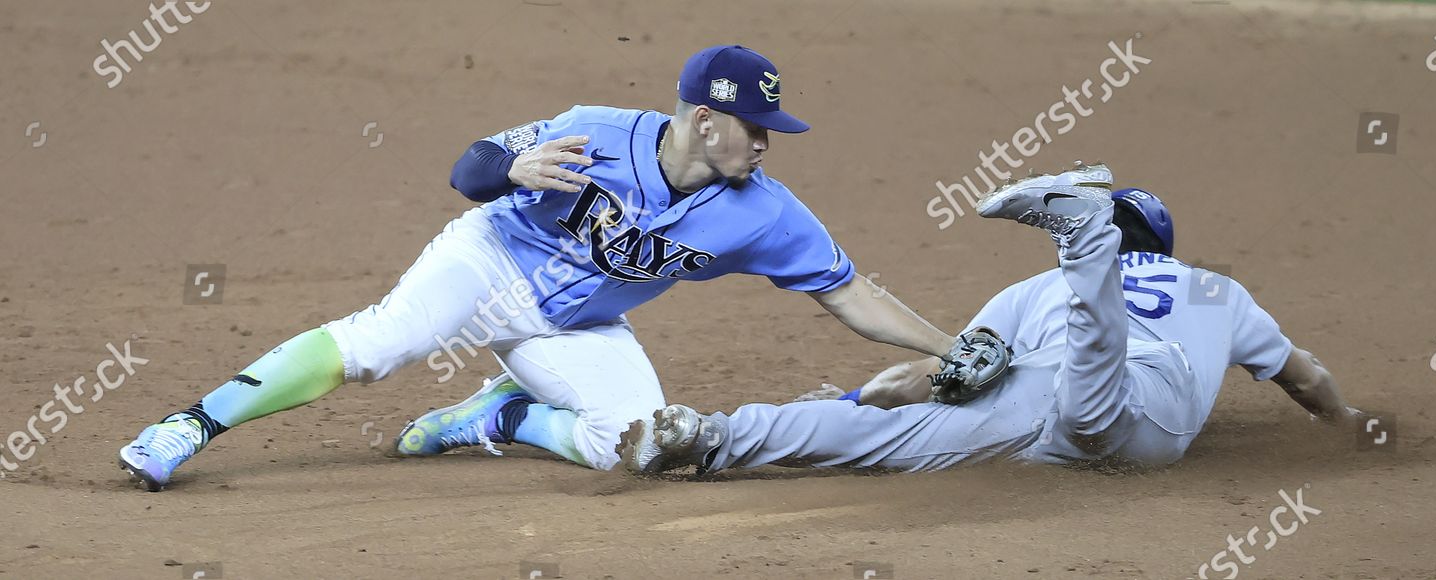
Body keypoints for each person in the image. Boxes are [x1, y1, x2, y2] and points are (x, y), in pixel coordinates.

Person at [118, 45, 960, 491]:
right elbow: (471, 168)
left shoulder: (768, 211)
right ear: (708, 122)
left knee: (632, 450)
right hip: (487, 265)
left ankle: (499, 420)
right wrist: (509, 172)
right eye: (758, 126)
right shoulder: (597, 128)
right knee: (378, 346)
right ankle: (188, 428)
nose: (769, 140)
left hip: (579, 325)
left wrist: (953, 346)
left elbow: (851, 292)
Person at [616, 163, 1361, 474]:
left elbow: (950, 375)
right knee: (1097, 395)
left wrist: (852, 399)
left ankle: (712, 436)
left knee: (872, 436)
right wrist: (1347, 423)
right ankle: (1081, 233)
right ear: (1159, 247)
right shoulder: (1210, 289)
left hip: (1039, 396)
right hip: (1140, 401)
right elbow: (1307, 379)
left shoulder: (1034, 290)